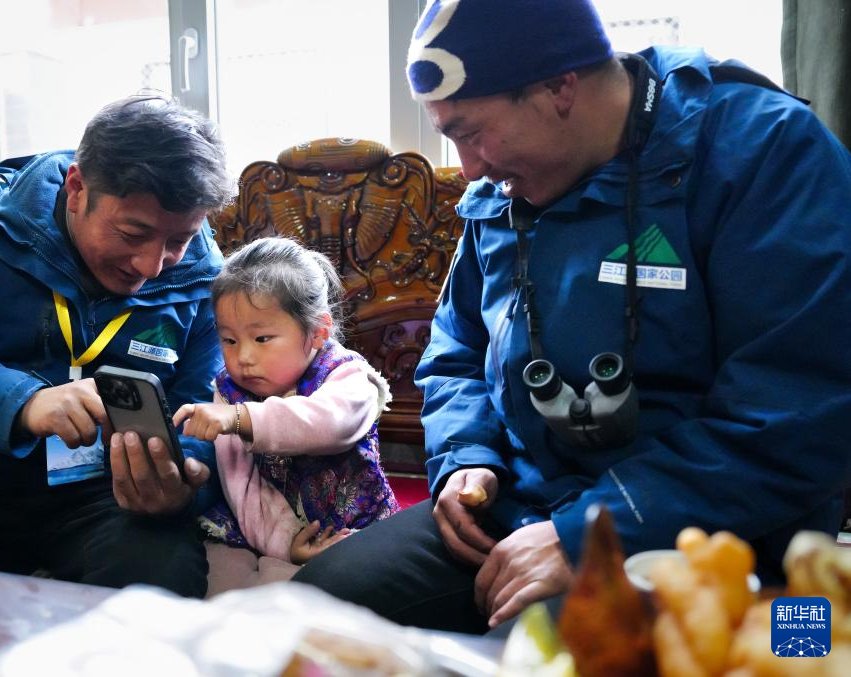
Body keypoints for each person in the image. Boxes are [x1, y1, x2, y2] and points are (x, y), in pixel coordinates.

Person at [294, 0, 851, 634]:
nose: (469, 169)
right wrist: (467, 455)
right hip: (520, 505)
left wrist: (589, 533)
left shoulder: (767, 152)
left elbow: (802, 417)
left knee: (535, 653)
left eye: (471, 133)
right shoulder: (506, 183)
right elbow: (456, 346)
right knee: (309, 615)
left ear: (560, 88)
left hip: (720, 535)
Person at [0, 95, 238, 597]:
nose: (151, 265)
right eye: (132, 233)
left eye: (179, 240)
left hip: (115, 499)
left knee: (158, 595)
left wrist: (183, 481)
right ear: (77, 188)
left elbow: (211, 408)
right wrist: (24, 402)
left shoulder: (208, 279)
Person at [172, 237, 399, 564]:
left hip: (357, 529)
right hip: (268, 530)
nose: (243, 357)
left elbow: (329, 425)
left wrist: (241, 418)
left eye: (262, 338)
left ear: (319, 331)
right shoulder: (228, 390)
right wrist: (286, 543)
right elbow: (242, 486)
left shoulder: (348, 375)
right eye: (229, 340)